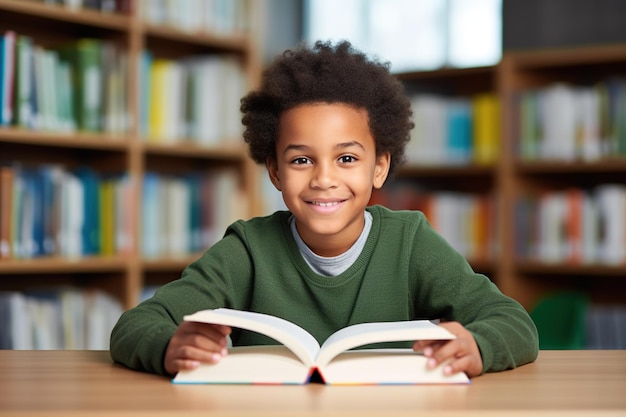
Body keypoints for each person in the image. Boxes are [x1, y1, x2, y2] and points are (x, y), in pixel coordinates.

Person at [110, 40, 538, 378]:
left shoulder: (410, 243)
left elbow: (514, 323)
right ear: (275, 171)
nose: (323, 179)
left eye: (347, 158)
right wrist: (169, 347)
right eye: (301, 160)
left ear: (380, 167)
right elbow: (135, 325)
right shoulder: (248, 249)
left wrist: (477, 347)